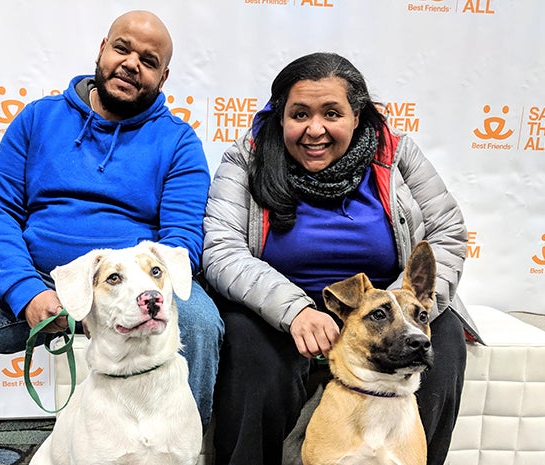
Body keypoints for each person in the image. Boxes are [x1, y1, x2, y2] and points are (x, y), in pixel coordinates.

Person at [0, 10, 223, 465]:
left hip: (128, 284)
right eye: (122, 48)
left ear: (163, 76)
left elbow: (181, 240)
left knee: (199, 321)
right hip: (37, 273)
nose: (132, 64)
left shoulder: (178, 142)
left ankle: (175, 450)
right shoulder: (38, 119)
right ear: (102, 50)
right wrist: (26, 291)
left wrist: (133, 287)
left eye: (149, 60)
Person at [202, 51, 480, 465]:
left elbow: (448, 231)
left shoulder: (397, 153)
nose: (315, 129)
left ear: (357, 115)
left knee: (445, 340)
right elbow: (222, 250)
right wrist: (294, 309)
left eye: (332, 113)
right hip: (278, 312)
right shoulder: (248, 156)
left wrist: (400, 308)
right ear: (281, 117)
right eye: (299, 114)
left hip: (384, 306)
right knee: (249, 347)